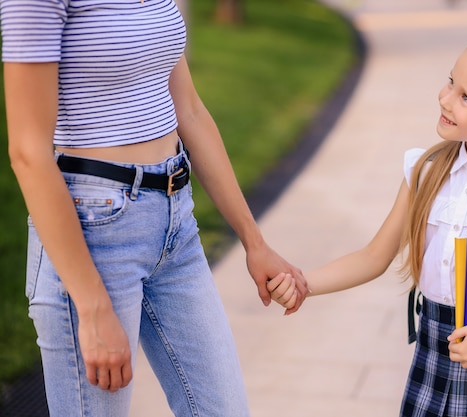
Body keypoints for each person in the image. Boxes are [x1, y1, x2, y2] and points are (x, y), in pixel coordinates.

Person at [0, 0, 308, 416]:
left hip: (175, 221)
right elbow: (27, 152)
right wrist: (91, 308)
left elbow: (191, 111)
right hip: (93, 232)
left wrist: (254, 241)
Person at [268, 34, 467, 416]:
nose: (445, 98)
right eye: (451, 81)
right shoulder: (427, 170)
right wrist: (305, 284)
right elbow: (374, 255)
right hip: (432, 359)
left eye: (465, 97)